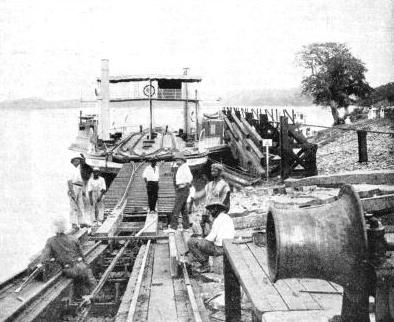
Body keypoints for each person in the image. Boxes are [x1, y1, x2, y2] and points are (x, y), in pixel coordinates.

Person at [40, 216, 97, 300]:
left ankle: (81, 297)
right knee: (90, 281)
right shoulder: (73, 238)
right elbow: (82, 256)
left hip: (69, 270)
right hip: (81, 267)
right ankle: (91, 296)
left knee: (78, 282)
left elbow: (44, 259)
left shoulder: (50, 241)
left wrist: (55, 259)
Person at [187, 198, 235, 273]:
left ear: (216, 209)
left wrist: (200, 240)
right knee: (202, 242)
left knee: (191, 242)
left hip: (220, 248)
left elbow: (211, 238)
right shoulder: (226, 217)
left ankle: (205, 265)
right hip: (227, 245)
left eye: (211, 210)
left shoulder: (218, 220)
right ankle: (204, 261)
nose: (210, 212)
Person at [194, 163, 231, 236]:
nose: (212, 172)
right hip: (207, 212)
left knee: (216, 233)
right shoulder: (209, 185)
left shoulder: (224, 185)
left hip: (217, 212)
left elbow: (226, 201)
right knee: (206, 232)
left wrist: (218, 213)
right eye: (211, 171)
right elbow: (200, 194)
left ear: (220, 172)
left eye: (215, 171)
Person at [170, 152, 193, 230]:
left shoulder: (185, 167)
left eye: (178, 159)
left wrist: (185, 184)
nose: (176, 161)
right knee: (183, 208)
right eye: (176, 160)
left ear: (182, 160)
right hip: (181, 189)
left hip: (183, 189)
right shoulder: (181, 167)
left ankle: (173, 227)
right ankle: (186, 226)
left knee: (176, 207)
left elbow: (190, 177)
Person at [68, 156, 87, 230]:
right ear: (73, 162)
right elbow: (69, 181)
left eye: (79, 161)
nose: (78, 162)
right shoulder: (70, 169)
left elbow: (85, 166)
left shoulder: (77, 169)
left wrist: (83, 190)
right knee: (73, 206)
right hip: (74, 187)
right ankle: (74, 223)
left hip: (79, 187)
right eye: (76, 161)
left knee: (80, 205)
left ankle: (81, 222)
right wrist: (72, 191)